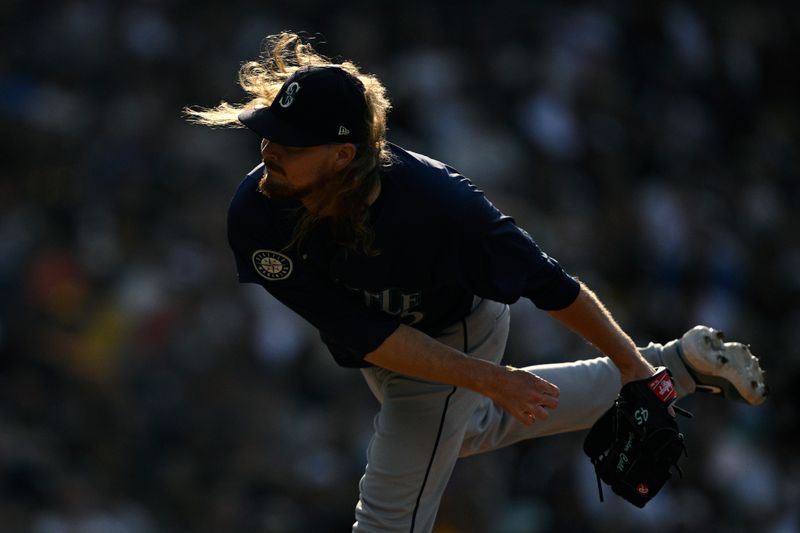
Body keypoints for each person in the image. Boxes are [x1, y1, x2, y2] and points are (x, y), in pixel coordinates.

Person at [184, 32, 767, 533]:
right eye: (267, 134)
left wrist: (617, 369)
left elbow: (552, 286)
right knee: (468, 426)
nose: (267, 150)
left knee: (389, 512)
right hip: (386, 339)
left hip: (457, 325)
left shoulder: (443, 208)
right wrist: (499, 384)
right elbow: (364, 332)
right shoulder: (257, 213)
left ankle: (656, 367)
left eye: (288, 143)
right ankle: (680, 365)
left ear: (342, 154)